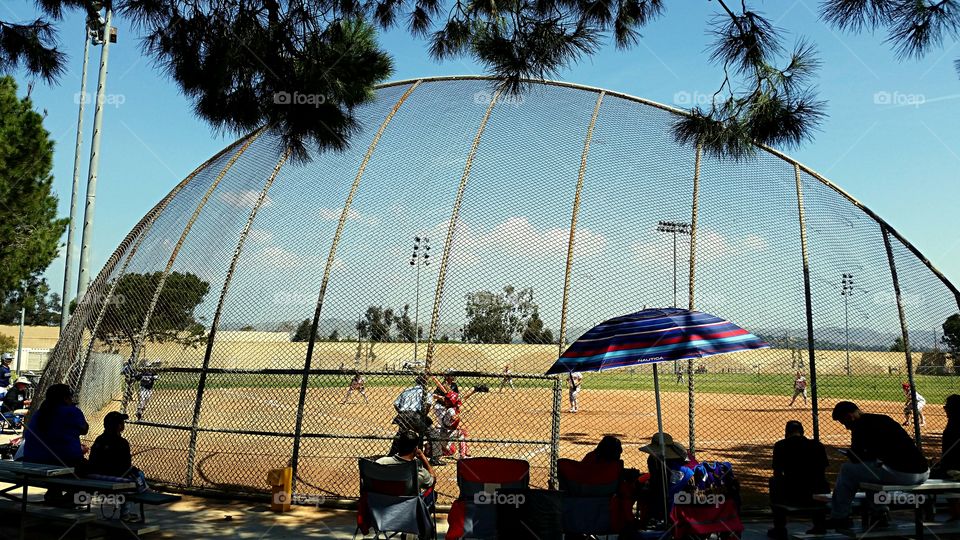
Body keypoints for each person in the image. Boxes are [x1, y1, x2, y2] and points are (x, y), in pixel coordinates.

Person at [827, 401, 929, 530]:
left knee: (847, 470)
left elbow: (859, 457)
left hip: (905, 473)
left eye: (844, 422)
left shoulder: (859, 426)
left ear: (849, 416)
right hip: (922, 472)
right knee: (870, 472)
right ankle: (880, 513)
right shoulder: (882, 419)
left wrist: (852, 455)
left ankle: (840, 517)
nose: (846, 427)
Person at [23, 384, 90, 505]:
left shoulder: (40, 412)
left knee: (59, 463)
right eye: (70, 397)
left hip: (33, 461)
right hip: (59, 463)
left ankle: (54, 495)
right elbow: (84, 429)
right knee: (88, 469)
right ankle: (68, 501)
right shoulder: (71, 411)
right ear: (65, 398)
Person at [767, 420, 829, 539]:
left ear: (786, 433)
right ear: (802, 432)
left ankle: (780, 527)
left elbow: (777, 473)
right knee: (822, 481)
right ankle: (819, 525)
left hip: (792, 494)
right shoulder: (817, 445)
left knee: (774, 481)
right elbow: (822, 471)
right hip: (816, 494)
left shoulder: (780, 445)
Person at [88, 412, 150, 520]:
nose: (123, 424)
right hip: (114, 476)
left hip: (96, 475)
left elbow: (92, 460)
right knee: (138, 476)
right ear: (119, 426)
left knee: (132, 475)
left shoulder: (99, 439)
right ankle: (125, 512)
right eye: (122, 422)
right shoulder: (122, 442)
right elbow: (126, 465)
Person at [639, 432, 694, 527]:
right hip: (679, 509)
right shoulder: (686, 471)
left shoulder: (653, 461)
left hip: (662, 507)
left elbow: (654, 482)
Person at [391, 374, 443, 465]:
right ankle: (435, 459)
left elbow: (396, 404)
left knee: (401, 434)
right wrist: (423, 417)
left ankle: (392, 454)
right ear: (425, 383)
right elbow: (427, 405)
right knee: (434, 434)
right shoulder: (426, 392)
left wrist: (402, 413)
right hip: (416, 415)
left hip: (403, 416)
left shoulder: (407, 390)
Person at [377, 430, 436, 503]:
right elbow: (432, 481)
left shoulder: (381, 462)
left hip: (380, 505)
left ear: (398, 445)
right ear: (415, 449)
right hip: (406, 508)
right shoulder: (417, 470)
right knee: (433, 494)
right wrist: (423, 458)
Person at [931, 394, 960, 520]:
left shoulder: (952, 428)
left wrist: (938, 464)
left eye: (947, 407)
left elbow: (948, 456)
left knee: (930, 476)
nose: (945, 409)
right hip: (953, 466)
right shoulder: (953, 424)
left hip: (954, 468)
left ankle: (955, 513)